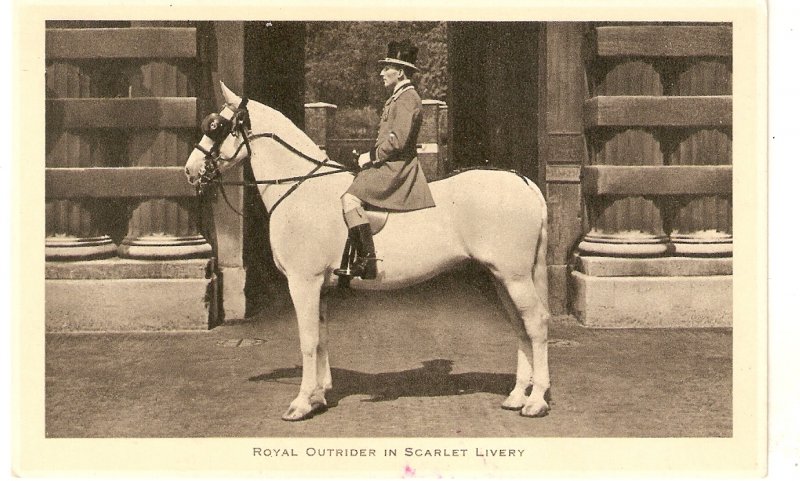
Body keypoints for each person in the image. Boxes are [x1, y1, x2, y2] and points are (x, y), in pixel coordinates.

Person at [334, 40, 436, 280]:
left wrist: (370, 157)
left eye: (386, 68)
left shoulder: (407, 98)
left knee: (350, 198)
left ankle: (367, 262)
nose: (381, 73)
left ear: (400, 71)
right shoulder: (397, 97)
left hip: (397, 168)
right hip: (389, 164)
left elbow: (397, 141)